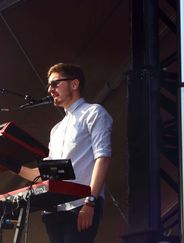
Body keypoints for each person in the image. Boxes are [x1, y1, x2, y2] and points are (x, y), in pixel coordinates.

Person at [2, 63, 113, 243]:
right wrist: (8, 162)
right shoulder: (56, 129)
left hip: (81, 205)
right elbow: (45, 175)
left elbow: (103, 158)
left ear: (74, 84)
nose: (50, 89)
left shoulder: (94, 113)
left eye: (55, 83)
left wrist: (90, 202)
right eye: (49, 85)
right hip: (54, 211)